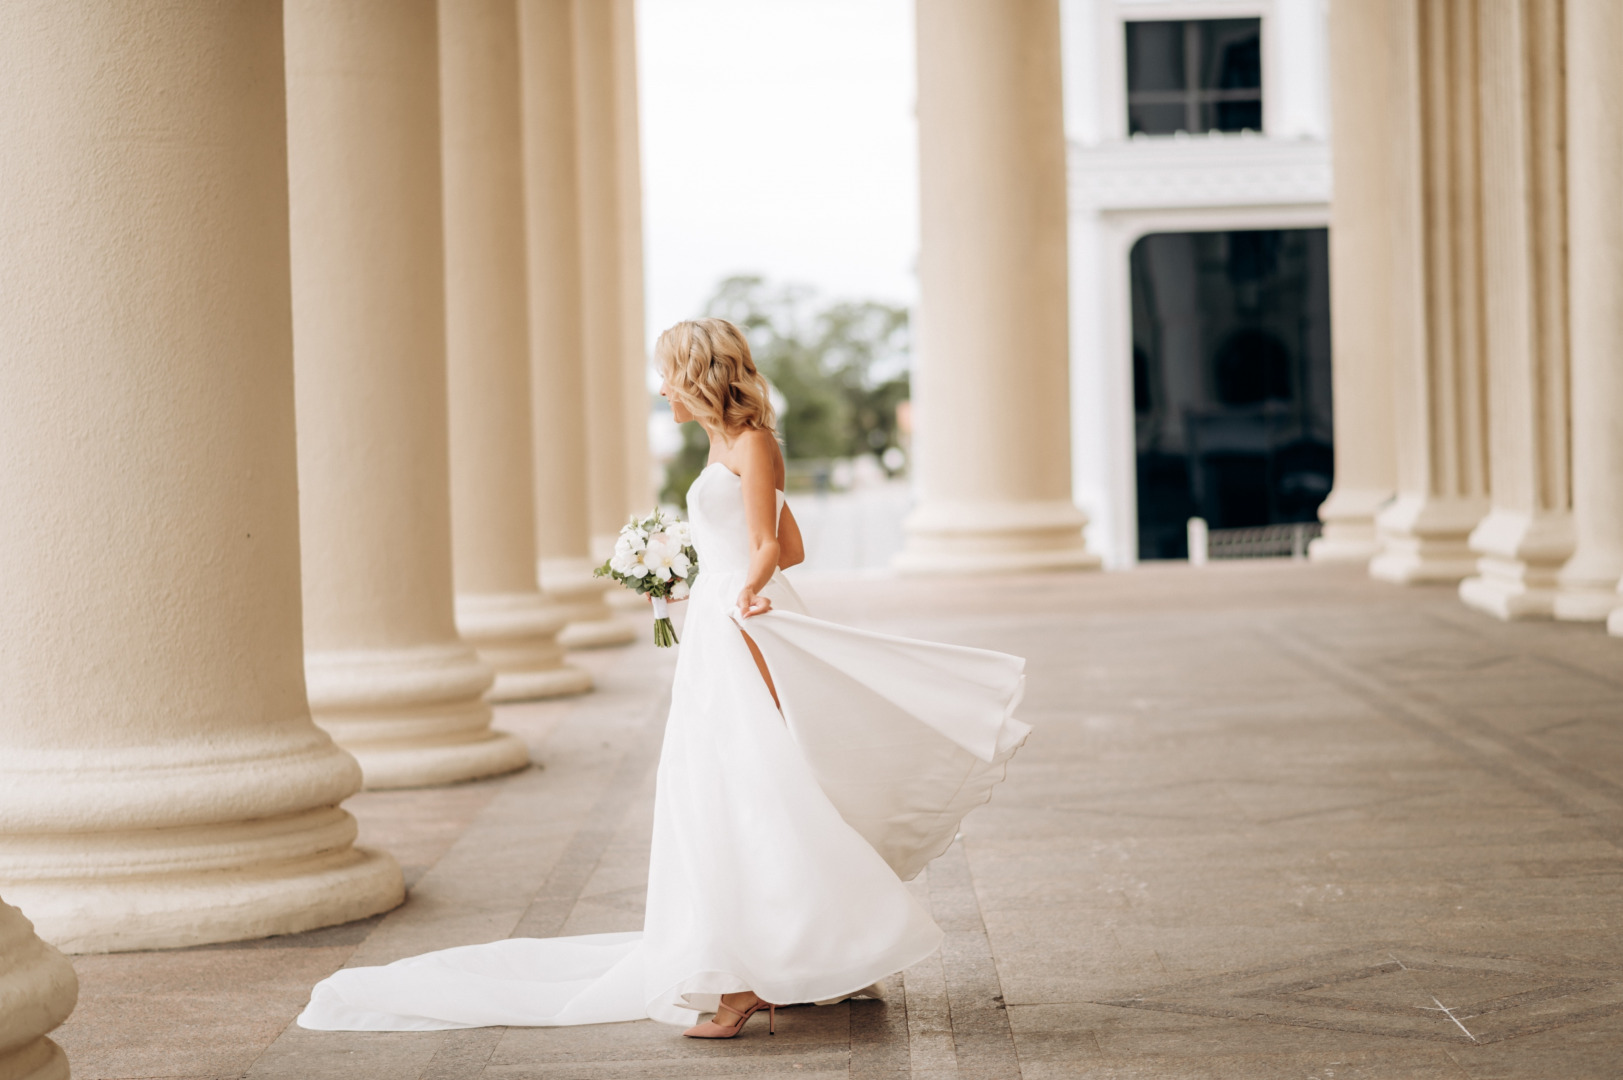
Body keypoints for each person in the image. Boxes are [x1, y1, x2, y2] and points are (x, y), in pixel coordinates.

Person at [297, 317, 1029, 1038]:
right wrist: (686, 584)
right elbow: (784, 543)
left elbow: (776, 547)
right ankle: (798, 956)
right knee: (721, 787)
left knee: (756, 785)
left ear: (695, 377)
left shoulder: (754, 443)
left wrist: (741, 589)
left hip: (741, 626)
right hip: (714, 621)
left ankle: (754, 979)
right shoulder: (724, 447)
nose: (659, 390)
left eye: (667, 375)